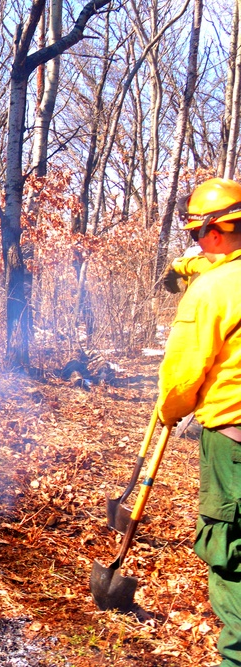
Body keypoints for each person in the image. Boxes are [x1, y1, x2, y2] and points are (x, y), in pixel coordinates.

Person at [156, 177, 241, 666]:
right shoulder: (216, 273)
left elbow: (183, 378)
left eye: (195, 234)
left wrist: (170, 409)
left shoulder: (212, 291)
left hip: (234, 447)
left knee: (231, 555)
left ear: (214, 232)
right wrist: (186, 268)